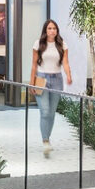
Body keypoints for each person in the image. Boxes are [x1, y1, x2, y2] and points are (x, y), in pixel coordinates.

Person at [29, 19, 73, 158]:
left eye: (54, 28)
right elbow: (34, 65)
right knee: (45, 112)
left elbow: (65, 63)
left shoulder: (62, 44)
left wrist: (69, 75)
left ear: (57, 30)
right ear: (45, 30)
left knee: (52, 113)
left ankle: (47, 139)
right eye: (49, 28)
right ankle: (45, 141)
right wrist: (31, 83)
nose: (52, 31)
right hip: (41, 79)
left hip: (57, 80)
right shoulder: (38, 44)